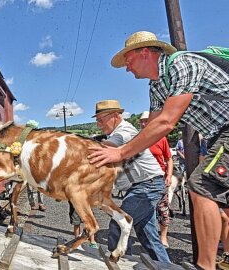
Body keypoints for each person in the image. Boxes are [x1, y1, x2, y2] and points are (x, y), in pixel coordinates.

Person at [88, 31, 229, 270]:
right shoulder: (156, 87)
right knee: (219, 200)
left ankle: (206, 267)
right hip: (218, 134)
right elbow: (153, 130)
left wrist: (120, 153)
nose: (127, 69)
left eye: (128, 61)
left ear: (145, 52)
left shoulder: (183, 65)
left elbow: (167, 122)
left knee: (202, 186)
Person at [93, 100, 170, 262]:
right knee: (148, 235)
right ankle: (165, 265)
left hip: (147, 185)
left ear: (115, 116)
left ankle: (117, 263)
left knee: (118, 223)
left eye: (101, 119)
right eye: (97, 120)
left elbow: (108, 146)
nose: (99, 124)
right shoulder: (115, 133)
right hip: (144, 185)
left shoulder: (125, 131)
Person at [139, 111, 173, 248]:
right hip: (143, 179)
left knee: (163, 209)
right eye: (141, 121)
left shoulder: (161, 138)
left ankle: (163, 237)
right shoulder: (137, 138)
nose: (143, 123)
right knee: (147, 210)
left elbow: (169, 159)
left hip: (159, 178)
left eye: (146, 120)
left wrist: (169, 175)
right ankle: (150, 239)